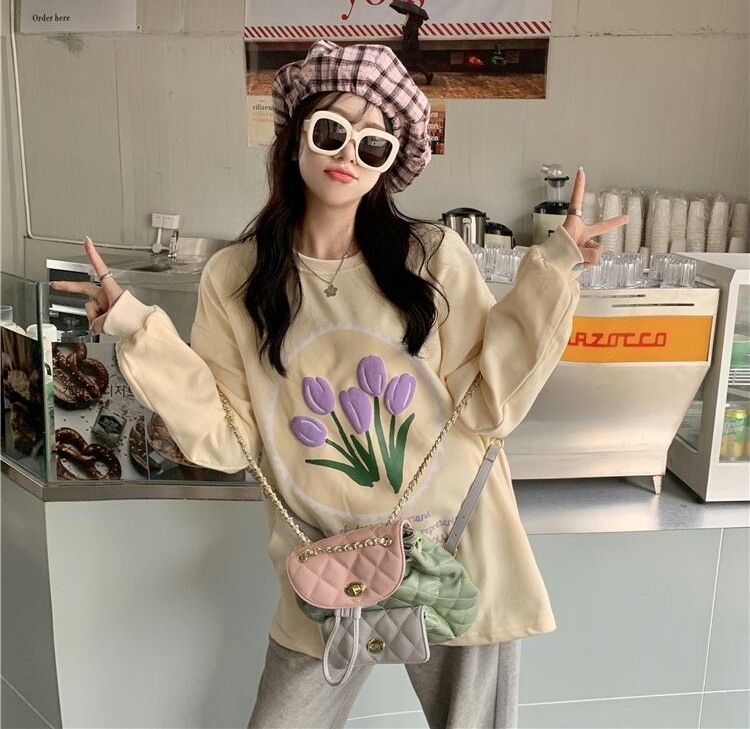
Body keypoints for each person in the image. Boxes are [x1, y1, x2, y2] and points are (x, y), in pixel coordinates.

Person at [52, 40, 626, 728]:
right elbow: (229, 439)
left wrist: (555, 267)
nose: (349, 152)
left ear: (387, 165)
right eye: (332, 130)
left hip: (452, 546)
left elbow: (489, 402)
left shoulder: (431, 257)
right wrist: (135, 327)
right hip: (325, 561)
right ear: (296, 135)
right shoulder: (236, 277)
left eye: (374, 144)